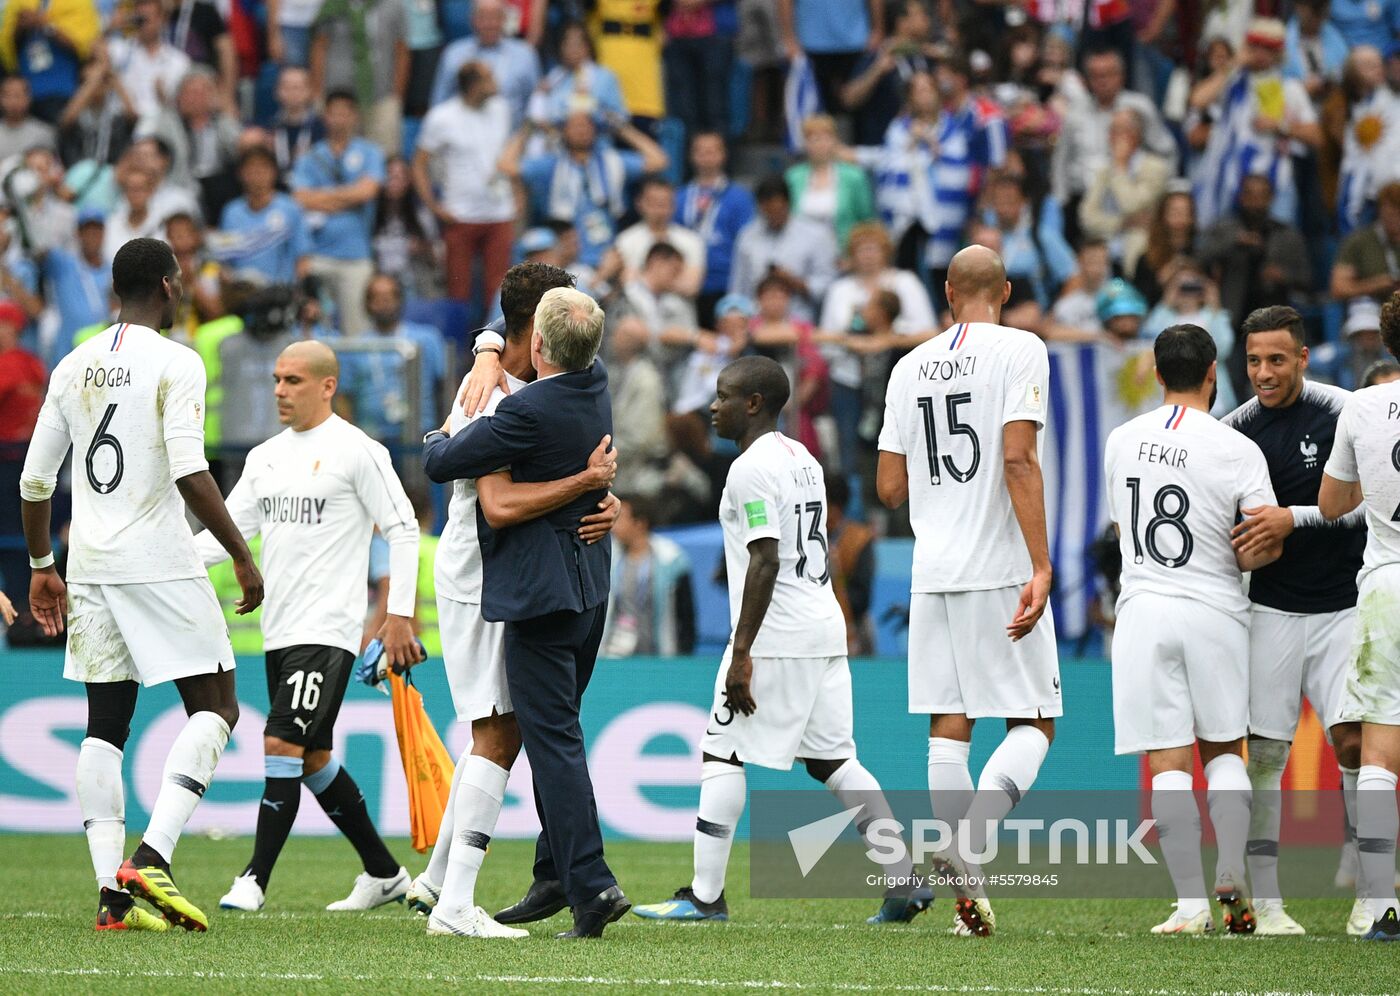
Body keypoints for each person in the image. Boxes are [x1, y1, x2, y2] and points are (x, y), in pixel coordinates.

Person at [18, 237, 263, 932]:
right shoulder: (176, 362)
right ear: (168, 286)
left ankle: (111, 896)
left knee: (105, 726)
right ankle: (152, 856)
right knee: (217, 705)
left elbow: (34, 481)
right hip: (157, 558)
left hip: (89, 564)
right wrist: (241, 554)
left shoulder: (72, 365)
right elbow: (189, 469)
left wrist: (42, 566)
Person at [633, 356, 926, 926]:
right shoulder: (803, 458)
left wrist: (741, 653)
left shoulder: (750, 469)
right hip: (823, 627)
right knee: (834, 760)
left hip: (779, 634)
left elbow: (765, 559)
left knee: (722, 750)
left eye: (722, 396)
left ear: (753, 404)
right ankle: (902, 877)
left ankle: (705, 896)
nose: (712, 406)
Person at [405, 264, 621, 938]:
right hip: (481, 572)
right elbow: (489, 499)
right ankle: (453, 902)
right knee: (497, 733)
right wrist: (487, 351)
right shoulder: (493, 396)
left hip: (521, 570)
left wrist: (604, 497)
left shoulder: (547, 378)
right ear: (537, 331)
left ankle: (438, 884)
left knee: (513, 729)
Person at [875, 245, 1060, 937]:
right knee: (1034, 720)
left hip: (933, 570)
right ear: (1004, 291)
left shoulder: (908, 365)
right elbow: (1018, 457)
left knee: (949, 729)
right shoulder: (1021, 349)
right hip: (1000, 564)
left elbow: (889, 488)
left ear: (948, 292)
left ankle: (967, 901)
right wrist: (1041, 565)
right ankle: (968, 845)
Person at [203, 340, 422, 913]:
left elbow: (402, 529)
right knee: (312, 756)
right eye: (277, 379)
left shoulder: (359, 451)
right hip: (279, 630)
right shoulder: (264, 457)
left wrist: (398, 615)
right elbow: (227, 536)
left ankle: (253, 878)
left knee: (281, 742)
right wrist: (157, 565)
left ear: (328, 386)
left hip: (329, 630)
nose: (280, 390)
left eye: (293, 380)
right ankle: (384, 873)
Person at [1104, 323, 1281, 934]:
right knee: (1225, 749)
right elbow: (1263, 541)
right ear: (1213, 373)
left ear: (1156, 374)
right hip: (1215, 610)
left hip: (1144, 609)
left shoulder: (1122, 439)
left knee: (1169, 762)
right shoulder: (1237, 447)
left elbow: (1123, 530)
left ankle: (1189, 906)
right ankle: (1229, 866)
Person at [1219, 305, 1370, 936]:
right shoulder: (1233, 431)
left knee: (1354, 744)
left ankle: (1371, 894)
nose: (1264, 373)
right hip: (1270, 611)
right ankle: (1269, 903)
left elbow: (1373, 505)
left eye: (1277, 360)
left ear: (1303, 357)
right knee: (1264, 757)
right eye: (1254, 361)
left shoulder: (1345, 412)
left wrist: (1292, 518)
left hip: (1344, 607)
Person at [1318, 289, 1400, 941]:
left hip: (1387, 586)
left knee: (1379, 751)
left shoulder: (1362, 405)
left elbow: (1333, 502)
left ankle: (1379, 904)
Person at [414, 61, 515, 307]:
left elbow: (508, 153)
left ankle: (498, 334)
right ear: (474, 85)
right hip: (460, 214)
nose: (496, 82)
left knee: (500, 292)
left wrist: (517, 193)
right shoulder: (442, 117)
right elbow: (418, 165)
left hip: (499, 212)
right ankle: (457, 333)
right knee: (457, 291)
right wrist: (434, 206)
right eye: (489, 77)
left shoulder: (502, 109)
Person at [291, 90, 384, 342]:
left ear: (355, 116)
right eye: (334, 113)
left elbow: (368, 191)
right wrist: (349, 196)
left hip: (356, 256)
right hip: (316, 256)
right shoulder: (311, 156)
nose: (339, 119)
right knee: (315, 328)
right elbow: (300, 198)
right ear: (325, 116)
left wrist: (323, 197)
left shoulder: (370, 152)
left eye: (345, 113)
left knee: (358, 330)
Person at [729, 175, 838, 323]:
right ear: (760, 207)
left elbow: (828, 285)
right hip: (755, 321)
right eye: (768, 211)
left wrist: (795, 282)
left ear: (788, 204)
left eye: (779, 210)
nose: (774, 216)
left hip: (800, 320)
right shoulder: (747, 236)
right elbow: (738, 288)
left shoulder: (816, 235)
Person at [600, 495, 696, 657]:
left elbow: (685, 616)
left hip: (659, 656)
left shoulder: (672, 559)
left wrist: (683, 654)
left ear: (640, 523)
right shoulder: (607, 558)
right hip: (613, 656)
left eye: (620, 519)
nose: (613, 526)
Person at [677, 132, 755, 325]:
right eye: (700, 152)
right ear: (691, 155)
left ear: (723, 154)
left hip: (725, 283)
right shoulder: (680, 196)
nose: (706, 157)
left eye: (711, 151)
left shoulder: (739, 197)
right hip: (686, 284)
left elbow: (747, 243)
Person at [430, 0, 541, 123]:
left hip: (513, 132)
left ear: (504, 19)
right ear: (472, 20)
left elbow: (535, 105)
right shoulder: (453, 54)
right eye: (483, 17)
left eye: (495, 17)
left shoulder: (525, 55)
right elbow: (439, 104)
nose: (489, 24)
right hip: (463, 131)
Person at [215, 146, 311, 286]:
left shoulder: (290, 209)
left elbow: (302, 259)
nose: (257, 175)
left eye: (263, 168)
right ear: (240, 174)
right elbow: (224, 261)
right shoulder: (231, 212)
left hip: (281, 291)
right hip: (242, 292)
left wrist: (301, 291)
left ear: (274, 172)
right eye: (251, 169)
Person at [826, 475, 875, 657]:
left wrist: (836, 583)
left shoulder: (860, 539)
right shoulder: (807, 536)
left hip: (853, 627)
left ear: (835, 507)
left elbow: (862, 598)